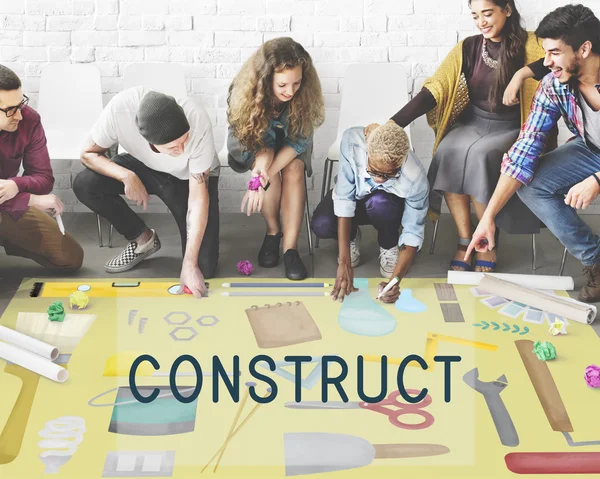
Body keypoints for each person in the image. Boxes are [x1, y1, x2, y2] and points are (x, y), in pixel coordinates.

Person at [372, 0, 555, 273]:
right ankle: (465, 239)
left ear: (507, 9)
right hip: (474, 122)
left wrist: (522, 74)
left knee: (480, 156)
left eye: (488, 13)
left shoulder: (533, 44)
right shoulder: (468, 47)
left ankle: (487, 242)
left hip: (514, 126)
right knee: (448, 150)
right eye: (475, 16)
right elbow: (434, 89)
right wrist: (393, 124)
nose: (481, 21)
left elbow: (559, 57)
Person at [466, 4, 600, 303]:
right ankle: (596, 260)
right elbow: (525, 148)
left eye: (554, 52)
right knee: (532, 184)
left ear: (584, 49)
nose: (546, 62)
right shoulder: (554, 86)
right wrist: (487, 217)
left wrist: (597, 180)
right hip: (591, 148)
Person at [74, 87, 220, 298]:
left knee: (202, 267)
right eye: (172, 147)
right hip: (143, 166)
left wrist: (189, 264)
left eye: (184, 141)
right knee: (85, 183)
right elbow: (87, 154)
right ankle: (143, 238)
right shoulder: (119, 110)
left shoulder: (197, 119)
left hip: (189, 176)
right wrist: (127, 176)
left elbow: (198, 199)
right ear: (150, 142)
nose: (180, 150)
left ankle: (191, 261)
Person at [226, 37, 325, 281]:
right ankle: (273, 231)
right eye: (282, 84)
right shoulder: (242, 92)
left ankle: (290, 248)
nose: (290, 91)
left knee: (293, 169)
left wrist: (264, 175)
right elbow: (254, 144)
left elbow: (299, 141)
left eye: (297, 83)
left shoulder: (304, 95)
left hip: (292, 144)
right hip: (253, 143)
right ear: (265, 78)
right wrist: (262, 169)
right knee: (267, 170)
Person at [311, 122, 429, 303]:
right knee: (322, 224)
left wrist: (395, 282)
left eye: (389, 175)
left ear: (402, 161)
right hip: (355, 199)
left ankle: (389, 244)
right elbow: (344, 198)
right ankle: (351, 236)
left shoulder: (416, 178)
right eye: (373, 171)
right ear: (367, 152)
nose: (380, 179)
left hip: (386, 209)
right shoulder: (352, 142)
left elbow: (412, 232)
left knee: (380, 202)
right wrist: (344, 262)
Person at [0, 64, 83, 272]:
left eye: (20, 104)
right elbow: (35, 195)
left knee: (70, 257)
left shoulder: (29, 119)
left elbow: (44, 178)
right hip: (14, 202)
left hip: (8, 203)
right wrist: (31, 199)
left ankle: (9, 237)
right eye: (10, 110)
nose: (19, 115)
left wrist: (16, 185)